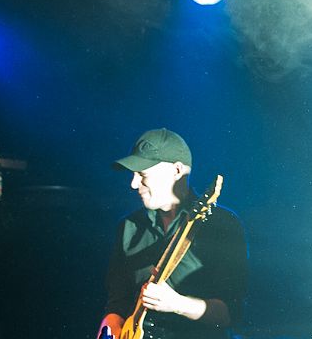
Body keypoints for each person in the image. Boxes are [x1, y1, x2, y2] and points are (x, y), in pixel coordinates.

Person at [97, 128, 247, 339]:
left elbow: (232, 314)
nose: (133, 184)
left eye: (142, 175)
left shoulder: (222, 225)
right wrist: (109, 327)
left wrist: (177, 304)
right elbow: (116, 303)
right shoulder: (129, 226)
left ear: (177, 171)